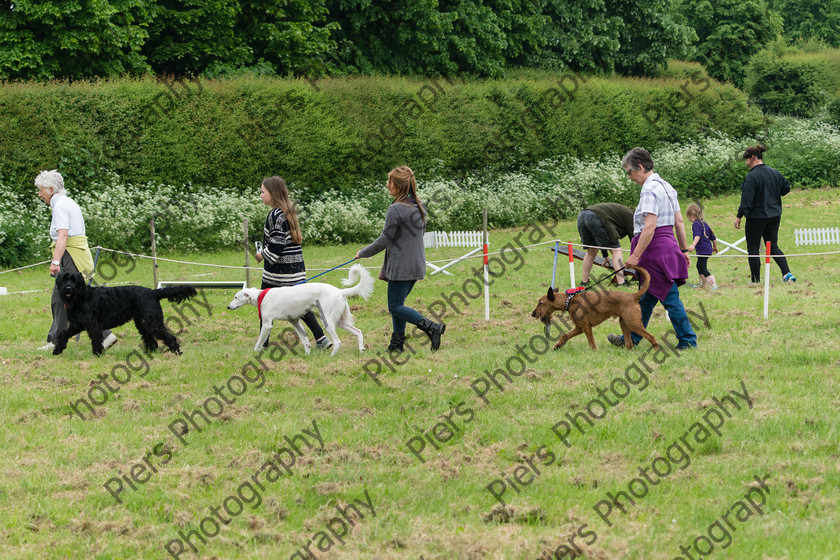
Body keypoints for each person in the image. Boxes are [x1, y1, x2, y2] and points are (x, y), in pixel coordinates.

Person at [607, 148, 697, 350]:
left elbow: (649, 227)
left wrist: (635, 255)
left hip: (653, 249)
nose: (629, 177)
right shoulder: (667, 187)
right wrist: (683, 251)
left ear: (640, 167)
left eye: (629, 172)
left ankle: (688, 339)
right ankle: (632, 339)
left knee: (670, 298)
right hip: (668, 246)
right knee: (646, 297)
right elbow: (679, 222)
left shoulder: (649, 190)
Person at [355, 166, 445, 352]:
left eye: (389, 182)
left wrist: (363, 253)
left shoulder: (395, 209)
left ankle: (431, 327)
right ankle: (396, 345)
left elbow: (384, 239)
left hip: (401, 266)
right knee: (398, 305)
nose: (387, 184)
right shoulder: (419, 206)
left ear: (398, 185)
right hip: (416, 265)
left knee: (395, 306)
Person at [35, 170, 117, 351]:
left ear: (50, 189)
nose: (39, 194)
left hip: (70, 254)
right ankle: (102, 335)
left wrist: (56, 262)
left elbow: (63, 235)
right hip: (75, 252)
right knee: (68, 299)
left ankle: (58, 340)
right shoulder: (67, 202)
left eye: (41, 190)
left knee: (67, 299)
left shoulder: (60, 206)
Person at [254, 176, 332, 350]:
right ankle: (321, 338)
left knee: (264, 305)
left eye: (262, 192)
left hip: (279, 272)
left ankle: (263, 345)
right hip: (295, 269)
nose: (260, 195)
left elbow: (276, 246)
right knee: (301, 305)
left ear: (272, 194)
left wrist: (261, 256)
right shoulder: (287, 212)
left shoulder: (275, 215)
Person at [734, 145, 796, 284]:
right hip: (774, 215)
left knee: (753, 249)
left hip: (756, 218)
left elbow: (746, 202)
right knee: (773, 246)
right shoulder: (774, 173)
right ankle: (787, 274)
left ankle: (755, 281)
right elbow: (786, 188)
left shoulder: (752, 177)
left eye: (747, 159)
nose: (746, 163)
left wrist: (739, 216)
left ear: (754, 157)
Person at [577, 203, 634, 286]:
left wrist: (605, 256)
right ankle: (621, 282)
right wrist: (636, 256)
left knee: (591, 252)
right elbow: (634, 240)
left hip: (582, 216)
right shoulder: (631, 217)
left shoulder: (622, 212)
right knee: (616, 250)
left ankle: (584, 282)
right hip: (596, 217)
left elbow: (601, 240)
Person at [686, 203, 719, 290]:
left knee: (702, 267)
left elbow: (697, 236)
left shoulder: (696, 224)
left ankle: (713, 284)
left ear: (692, 215)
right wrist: (715, 247)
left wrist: (693, 245)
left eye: (688, 216)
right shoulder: (705, 223)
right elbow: (713, 237)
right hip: (708, 249)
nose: (689, 219)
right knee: (700, 265)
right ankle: (702, 284)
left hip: (703, 250)